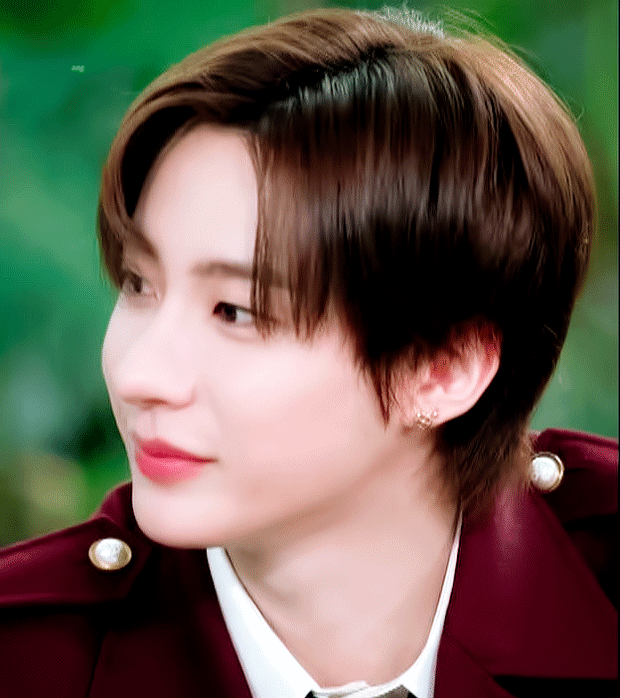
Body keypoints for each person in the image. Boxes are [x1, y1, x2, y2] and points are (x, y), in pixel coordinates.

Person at [0, 7, 616, 698]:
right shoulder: (27, 660)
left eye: (235, 312)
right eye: (139, 284)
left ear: (442, 369)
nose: (140, 373)